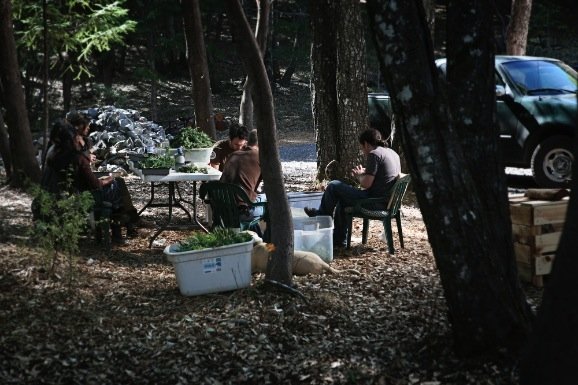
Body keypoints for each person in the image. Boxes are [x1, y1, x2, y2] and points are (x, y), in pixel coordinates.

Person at [39, 119, 146, 243]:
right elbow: (95, 185)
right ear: (72, 138)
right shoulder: (76, 157)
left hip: (60, 194)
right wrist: (109, 178)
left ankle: (129, 225)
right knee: (115, 186)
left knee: (115, 185)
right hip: (77, 197)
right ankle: (120, 231)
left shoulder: (53, 153)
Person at [304, 128, 401, 248]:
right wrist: (365, 173)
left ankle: (321, 217)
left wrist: (359, 176)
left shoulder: (374, 154)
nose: (363, 151)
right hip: (386, 201)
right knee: (342, 200)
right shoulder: (392, 153)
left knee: (333, 185)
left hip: (374, 202)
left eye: (362, 147)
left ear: (365, 143)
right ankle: (338, 242)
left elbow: (366, 184)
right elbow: (383, 175)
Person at [220, 129, 265, 237]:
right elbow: (271, 185)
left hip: (223, 210)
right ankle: (269, 243)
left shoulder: (233, 155)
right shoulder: (261, 157)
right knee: (268, 200)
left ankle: (255, 236)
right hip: (243, 212)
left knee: (251, 198)